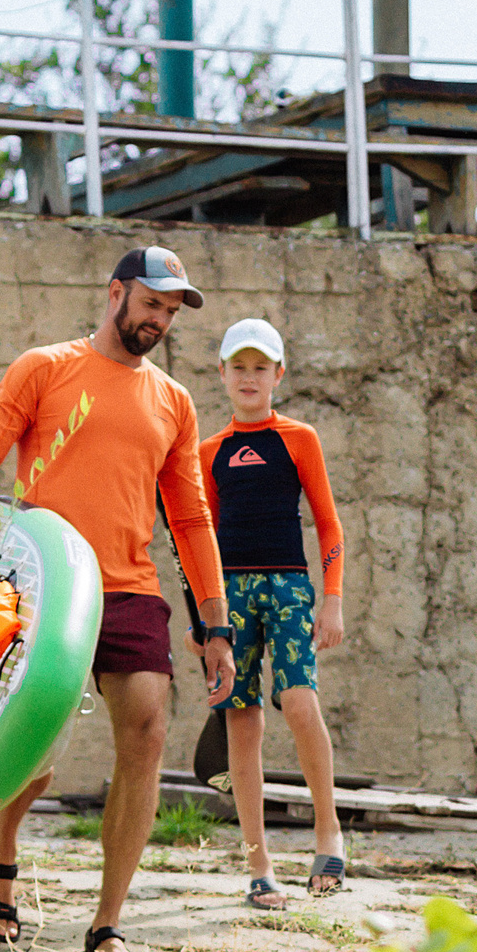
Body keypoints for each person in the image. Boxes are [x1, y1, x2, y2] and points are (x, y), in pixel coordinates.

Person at [0, 246, 236, 952]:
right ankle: (2, 848)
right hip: (45, 578)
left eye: (172, 312)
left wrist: (216, 623)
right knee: (37, 754)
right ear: (115, 294)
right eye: (152, 304)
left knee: (146, 731)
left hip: (131, 584)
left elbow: (192, 517)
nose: (160, 322)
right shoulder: (44, 368)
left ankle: (107, 924)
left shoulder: (174, 401)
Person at [197, 317, 347, 905]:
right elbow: (197, 538)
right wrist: (202, 621)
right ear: (223, 375)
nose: (250, 377)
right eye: (240, 367)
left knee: (300, 703)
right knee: (243, 719)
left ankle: (328, 831)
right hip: (228, 598)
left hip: (289, 589)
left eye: (261, 368)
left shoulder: (299, 439)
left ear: (278, 375)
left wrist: (331, 598)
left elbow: (329, 523)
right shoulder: (210, 451)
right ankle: (259, 866)